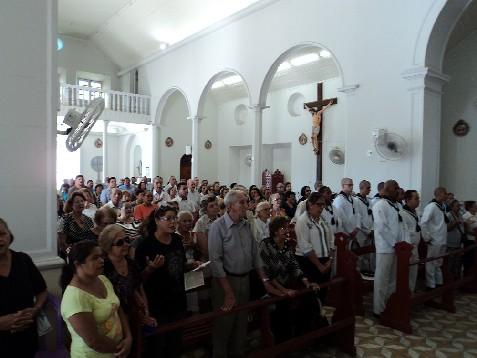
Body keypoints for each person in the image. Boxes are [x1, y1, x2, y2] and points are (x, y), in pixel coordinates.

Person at [208, 189, 283, 358]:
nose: (246, 205)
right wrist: (227, 292)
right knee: (224, 326)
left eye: (246, 201)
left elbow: (255, 255)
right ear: (229, 206)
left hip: (245, 279)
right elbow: (216, 262)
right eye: (241, 202)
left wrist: (265, 281)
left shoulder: (246, 224)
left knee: (241, 325)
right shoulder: (217, 227)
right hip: (225, 282)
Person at [60, 240, 132, 358]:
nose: (101, 260)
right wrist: (121, 348)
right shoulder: (75, 297)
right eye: (95, 258)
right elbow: (93, 341)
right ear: (78, 264)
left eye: (101, 256)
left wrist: (129, 337)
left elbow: (117, 309)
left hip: (116, 351)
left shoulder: (103, 279)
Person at [134, 206, 189, 357]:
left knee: (175, 343)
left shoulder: (177, 240)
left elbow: (179, 265)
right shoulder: (146, 245)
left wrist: (192, 265)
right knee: (157, 346)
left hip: (178, 300)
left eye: (174, 218)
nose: (173, 222)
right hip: (157, 303)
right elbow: (138, 280)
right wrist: (150, 269)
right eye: (168, 218)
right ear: (157, 221)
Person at [259, 216, 319, 343]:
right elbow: (268, 273)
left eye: (288, 227)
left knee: (308, 298)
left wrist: (307, 283)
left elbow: (294, 266)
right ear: (275, 231)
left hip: (285, 284)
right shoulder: (265, 244)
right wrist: (283, 290)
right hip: (269, 287)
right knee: (281, 308)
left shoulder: (286, 244)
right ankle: (281, 343)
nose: (287, 231)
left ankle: (303, 337)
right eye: (283, 228)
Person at [0, 218, 48, 357]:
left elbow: (42, 291)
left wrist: (35, 310)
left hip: (27, 338)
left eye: (2, 234)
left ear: (10, 235)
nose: (0, 240)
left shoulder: (23, 260)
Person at [99, 225, 156, 334]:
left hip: (136, 316)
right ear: (108, 247)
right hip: (114, 320)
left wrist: (146, 312)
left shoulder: (131, 264)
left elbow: (140, 288)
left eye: (126, 240)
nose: (126, 245)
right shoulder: (103, 268)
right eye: (120, 243)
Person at [372, 180, 406, 317]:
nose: (397, 190)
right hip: (385, 247)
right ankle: (378, 309)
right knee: (382, 278)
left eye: (398, 188)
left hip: (398, 248)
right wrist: (394, 243)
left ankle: (390, 304)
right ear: (387, 189)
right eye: (395, 188)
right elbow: (382, 227)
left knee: (393, 279)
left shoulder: (398, 205)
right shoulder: (380, 205)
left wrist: (404, 243)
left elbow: (403, 226)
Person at [294, 192, 334, 303]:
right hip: (309, 263)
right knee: (310, 297)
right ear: (310, 204)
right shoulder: (303, 220)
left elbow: (331, 240)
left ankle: (319, 317)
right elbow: (305, 246)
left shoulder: (323, 220)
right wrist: (319, 265)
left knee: (322, 293)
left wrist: (330, 260)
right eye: (319, 204)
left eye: (323, 204)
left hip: (324, 261)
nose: (322, 207)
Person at [421, 187, 448, 290]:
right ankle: (430, 285)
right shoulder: (431, 206)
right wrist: (427, 238)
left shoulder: (443, 206)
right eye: (445, 193)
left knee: (438, 263)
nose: (446, 195)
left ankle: (439, 283)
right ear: (439, 194)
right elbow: (423, 222)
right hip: (434, 240)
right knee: (431, 263)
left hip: (442, 239)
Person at [400, 190, 421, 291]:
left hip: (415, 246)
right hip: (408, 247)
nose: (418, 201)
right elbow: (404, 231)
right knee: (405, 272)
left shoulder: (415, 212)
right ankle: (405, 292)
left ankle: (411, 291)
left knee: (413, 272)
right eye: (416, 198)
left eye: (418, 198)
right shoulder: (403, 213)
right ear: (408, 200)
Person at [354, 180, 375, 274]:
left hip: (370, 231)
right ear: (361, 188)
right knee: (360, 254)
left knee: (368, 254)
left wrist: (372, 230)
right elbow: (358, 218)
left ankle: (367, 272)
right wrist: (367, 231)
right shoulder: (356, 201)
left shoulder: (370, 201)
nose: (370, 190)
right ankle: (359, 273)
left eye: (370, 188)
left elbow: (373, 217)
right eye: (368, 188)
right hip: (361, 233)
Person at [193, 196, 219, 261]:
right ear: (205, 209)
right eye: (211, 206)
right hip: (209, 259)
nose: (215, 207)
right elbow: (204, 249)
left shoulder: (220, 219)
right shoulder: (201, 223)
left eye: (216, 204)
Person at [446, 200, 464, 279]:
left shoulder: (460, 215)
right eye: (457, 206)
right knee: (450, 265)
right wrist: (455, 223)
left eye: (459, 206)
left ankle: (457, 282)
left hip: (459, 244)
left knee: (458, 264)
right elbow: (447, 228)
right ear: (452, 207)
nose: (459, 208)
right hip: (450, 244)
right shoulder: (448, 215)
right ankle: (449, 282)